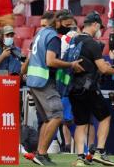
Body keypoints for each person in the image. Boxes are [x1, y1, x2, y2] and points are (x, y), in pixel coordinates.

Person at [24, 11, 84, 166]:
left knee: (47, 119)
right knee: (57, 116)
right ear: (58, 21)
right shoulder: (53, 37)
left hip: (33, 80)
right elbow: (50, 61)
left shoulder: (40, 33)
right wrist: (71, 64)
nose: (69, 27)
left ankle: (39, 153)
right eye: (67, 24)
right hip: (44, 81)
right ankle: (42, 154)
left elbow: (31, 57)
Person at [68, 12, 114, 166]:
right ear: (94, 25)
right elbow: (102, 68)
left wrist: (102, 67)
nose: (100, 29)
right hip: (89, 87)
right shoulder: (92, 43)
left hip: (73, 87)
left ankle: (80, 158)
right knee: (105, 117)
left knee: (81, 123)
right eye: (100, 26)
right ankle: (100, 152)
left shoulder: (73, 41)